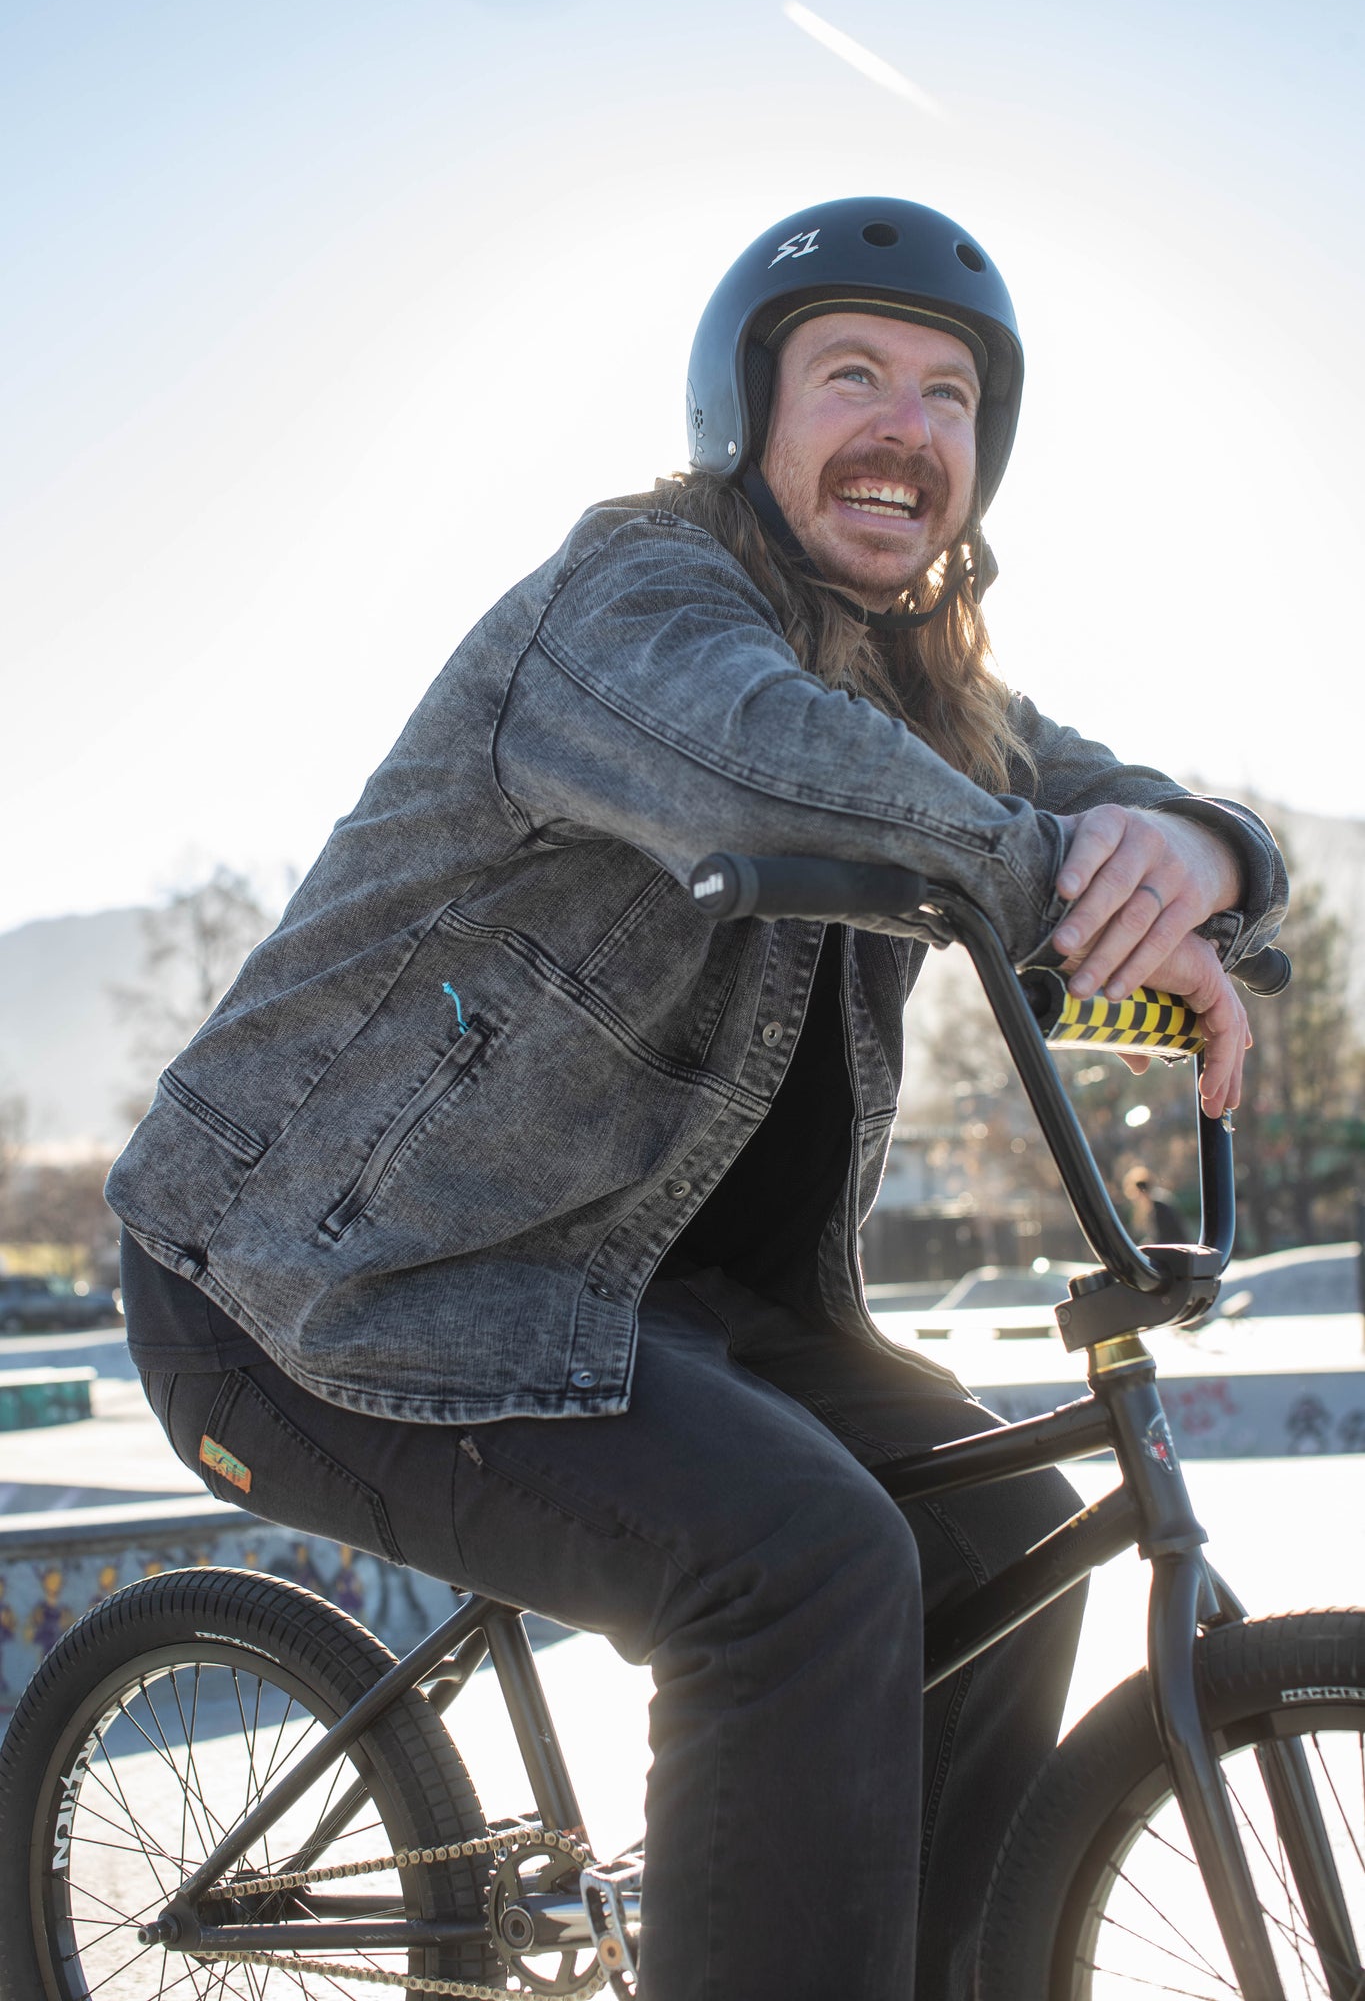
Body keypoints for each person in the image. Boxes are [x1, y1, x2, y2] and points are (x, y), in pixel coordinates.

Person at [107, 197, 1287, 2001]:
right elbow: (775, 768)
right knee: (795, 1567)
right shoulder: (632, 607)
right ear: (746, 418)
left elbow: (1096, 795)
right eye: (852, 375)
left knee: (1005, 1538)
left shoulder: (930, 690)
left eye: (951, 396)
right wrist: (1070, 862)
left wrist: (1205, 845)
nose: (907, 425)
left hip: (691, 1314)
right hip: (316, 1291)